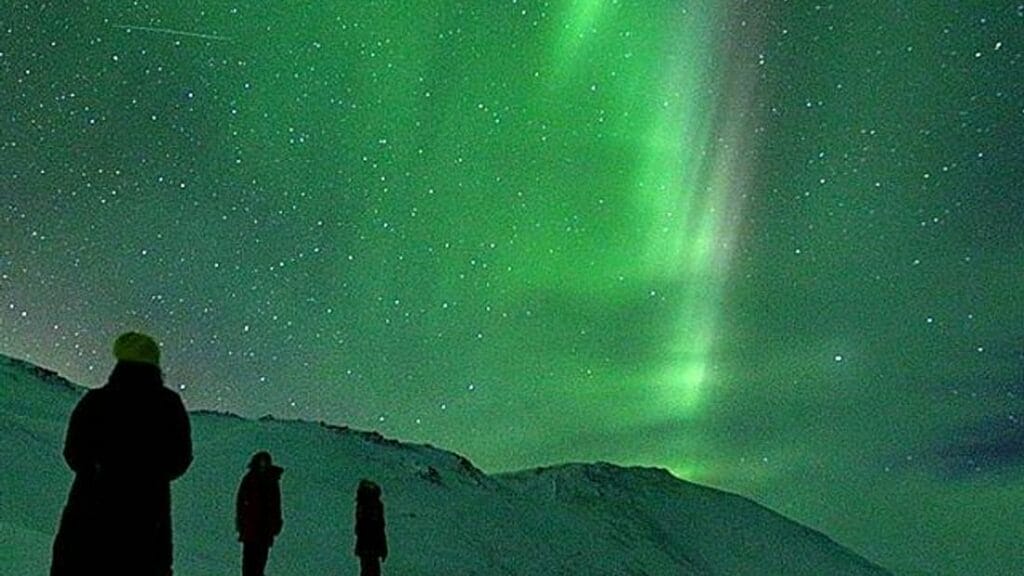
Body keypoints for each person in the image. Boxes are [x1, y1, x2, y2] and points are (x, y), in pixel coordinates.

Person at [51, 331, 193, 576]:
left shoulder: (95, 401)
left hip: (89, 510)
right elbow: (180, 458)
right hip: (146, 514)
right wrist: (148, 475)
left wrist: (98, 471)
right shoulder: (168, 404)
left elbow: (74, 452)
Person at [235, 451, 284, 576]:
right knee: (249, 563)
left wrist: (276, 523)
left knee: (259, 562)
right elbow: (241, 504)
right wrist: (242, 523)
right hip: (251, 529)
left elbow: (276, 504)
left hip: (264, 530)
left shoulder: (271, 481)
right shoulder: (250, 479)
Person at [354, 479, 388, 576]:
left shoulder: (363, 506)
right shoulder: (372, 507)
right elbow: (378, 528)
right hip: (370, 546)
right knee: (371, 570)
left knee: (368, 570)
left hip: (368, 546)